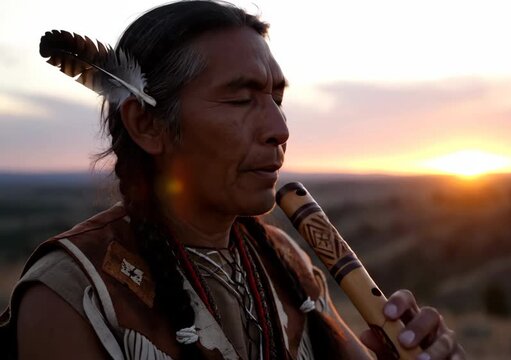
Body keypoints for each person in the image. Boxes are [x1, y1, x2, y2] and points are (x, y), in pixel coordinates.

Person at [0, 1, 465, 359]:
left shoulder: (286, 261)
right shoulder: (72, 293)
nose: (279, 129)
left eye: (276, 97)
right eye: (241, 100)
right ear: (147, 125)